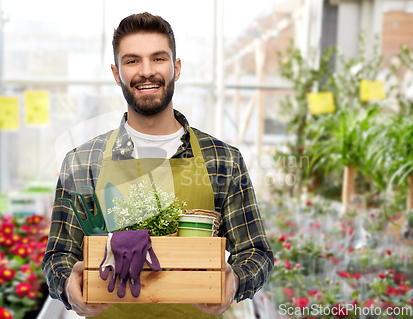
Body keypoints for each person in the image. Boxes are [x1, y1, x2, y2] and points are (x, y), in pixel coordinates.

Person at [42, 12, 274, 319]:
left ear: (176, 68)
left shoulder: (222, 159)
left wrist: (234, 283)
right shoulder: (83, 162)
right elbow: (58, 255)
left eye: (159, 58)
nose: (147, 72)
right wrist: (68, 286)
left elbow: (256, 251)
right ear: (117, 73)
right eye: (132, 60)